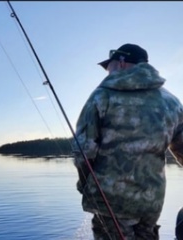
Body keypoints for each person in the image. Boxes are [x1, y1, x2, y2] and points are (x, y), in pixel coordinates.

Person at [72, 43, 183, 240]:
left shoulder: (102, 96)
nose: (108, 72)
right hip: (152, 202)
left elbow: (83, 150)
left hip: (110, 203)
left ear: (122, 62)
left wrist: (84, 184)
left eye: (110, 66)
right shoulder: (172, 102)